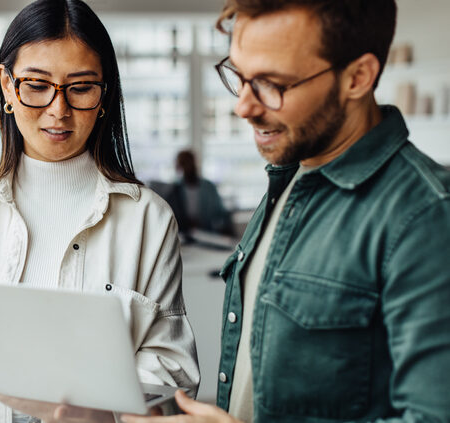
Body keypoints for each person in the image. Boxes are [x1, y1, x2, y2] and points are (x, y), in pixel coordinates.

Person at [122, 0, 450, 422]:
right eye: (239, 76)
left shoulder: (424, 216)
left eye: (271, 84)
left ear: (358, 77)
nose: (243, 106)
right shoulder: (289, 178)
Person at [0, 1, 200, 422]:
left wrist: (89, 406)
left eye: (81, 87)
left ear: (105, 94)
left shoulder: (148, 220)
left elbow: (175, 371)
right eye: (36, 84)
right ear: (7, 86)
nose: (58, 110)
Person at [168, 150, 234, 238]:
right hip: (184, 236)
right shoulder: (175, 189)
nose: (187, 167)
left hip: (207, 234)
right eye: (183, 164)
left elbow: (221, 213)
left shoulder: (209, 187)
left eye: (188, 163)